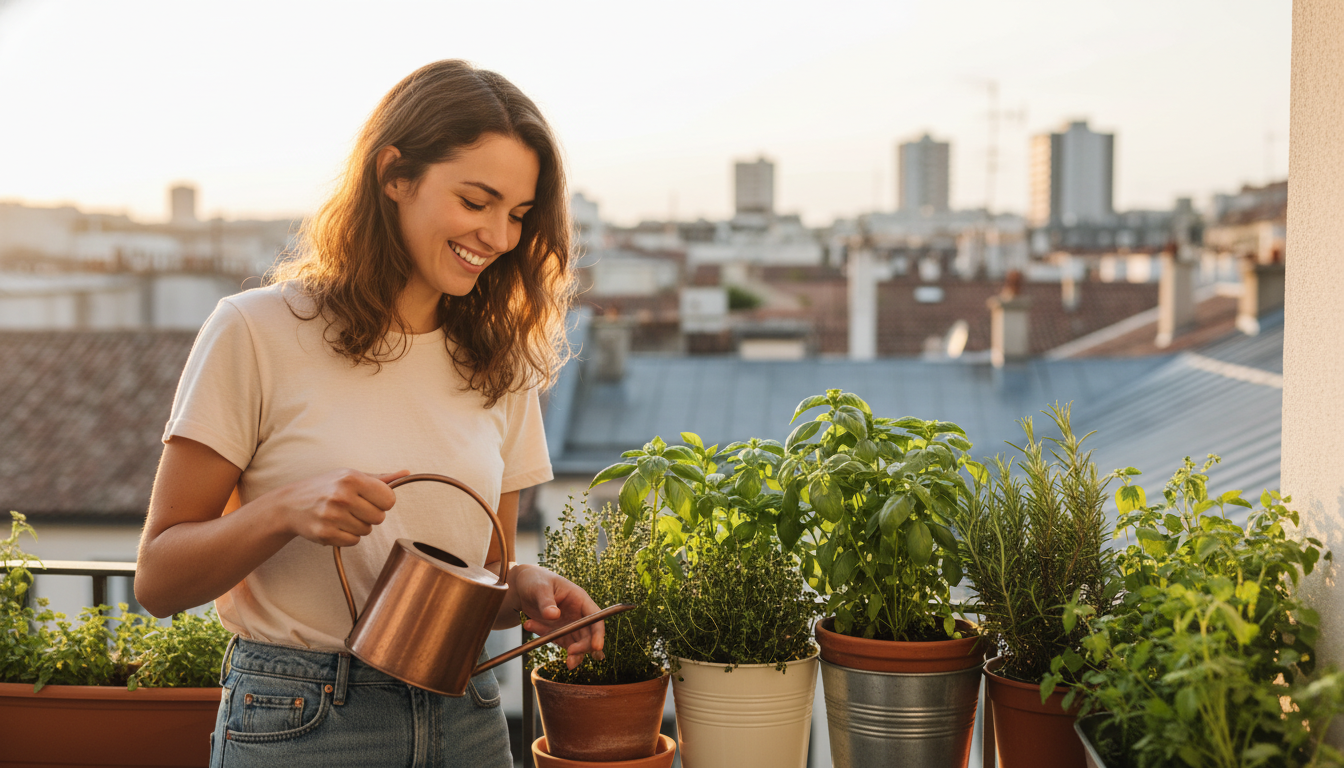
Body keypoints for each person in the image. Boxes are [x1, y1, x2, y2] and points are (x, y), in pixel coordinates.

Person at [134, 60, 602, 767]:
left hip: (467, 717)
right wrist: (284, 511)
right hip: (302, 720)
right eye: (477, 201)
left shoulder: (498, 360)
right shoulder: (256, 332)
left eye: (517, 215)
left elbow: (482, 579)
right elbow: (159, 581)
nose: (500, 237)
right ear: (394, 174)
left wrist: (527, 589)